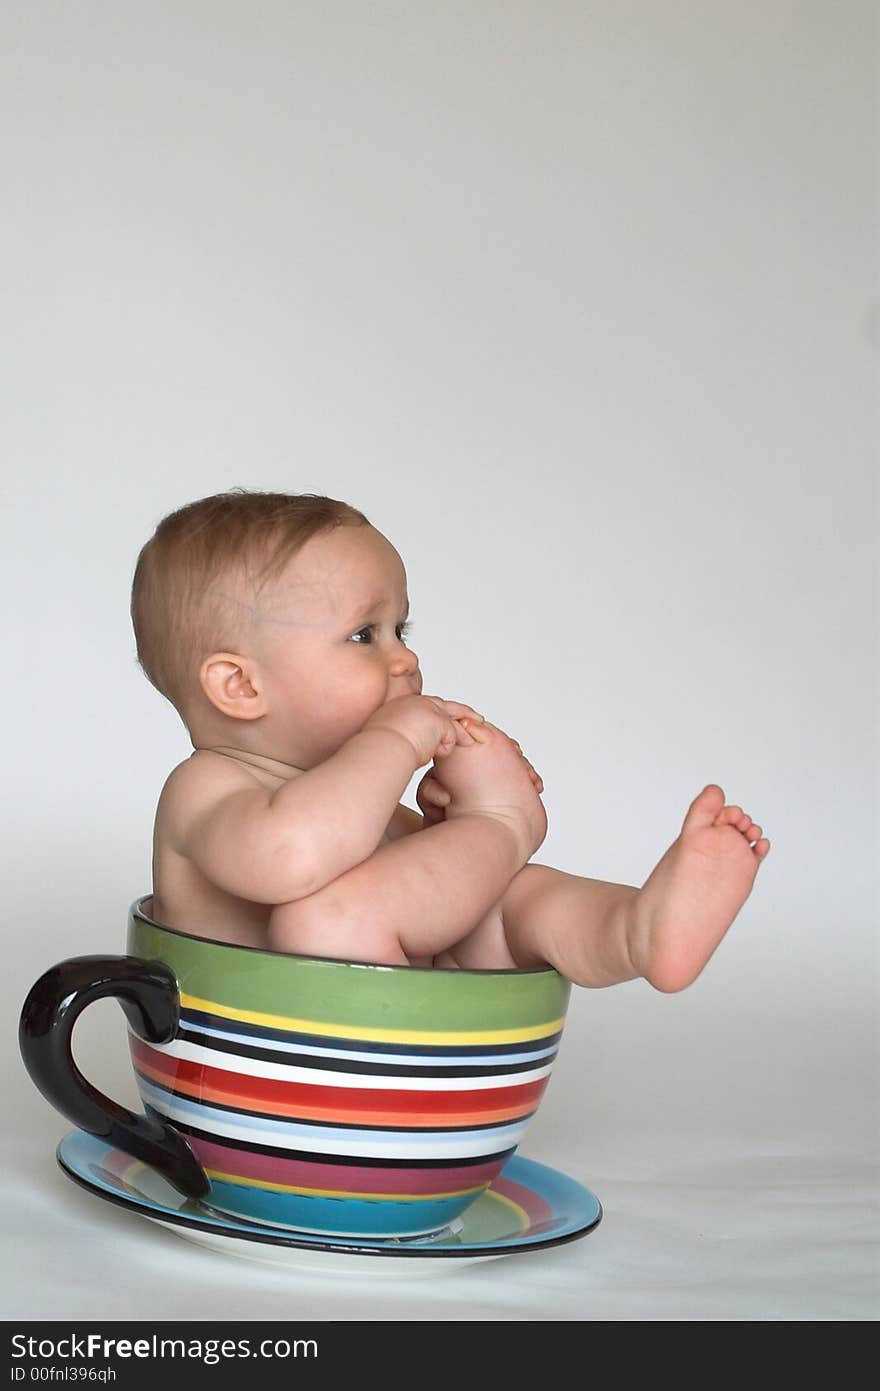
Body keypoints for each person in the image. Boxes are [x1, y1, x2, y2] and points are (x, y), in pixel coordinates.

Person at [131, 489, 770, 990]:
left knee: (507, 900)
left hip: (405, 1030)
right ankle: (511, 826)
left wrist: (452, 837)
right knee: (321, 921)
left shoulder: (355, 799)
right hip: (280, 1056)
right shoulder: (206, 787)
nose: (405, 660)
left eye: (401, 630)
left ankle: (634, 931)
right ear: (240, 686)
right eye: (364, 635)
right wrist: (468, 799)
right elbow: (293, 858)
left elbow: (431, 896)